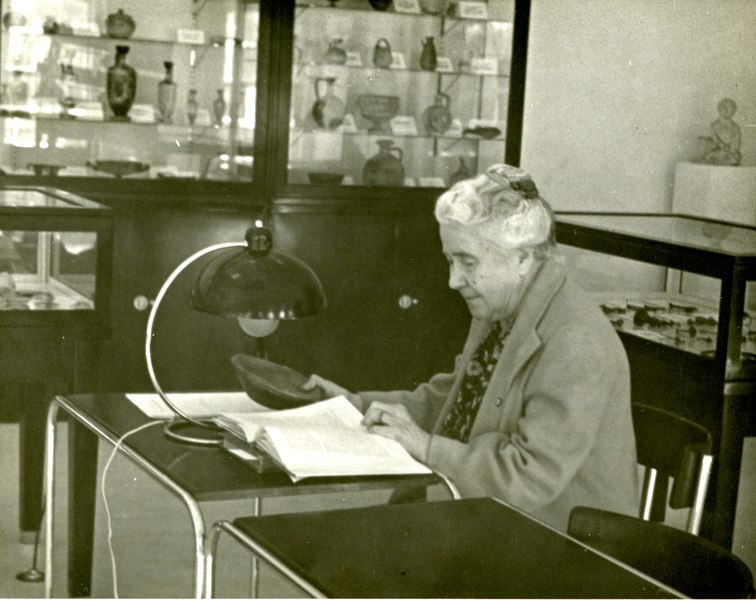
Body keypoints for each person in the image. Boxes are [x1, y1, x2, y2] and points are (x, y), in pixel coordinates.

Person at [303, 164, 639, 531]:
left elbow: (527, 477)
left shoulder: (577, 342)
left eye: (467, 262)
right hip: (496, 521)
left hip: (565, 551)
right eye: (450, 260)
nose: (453, 280)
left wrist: (426, 447)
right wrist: (355, 405)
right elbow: (457, 399)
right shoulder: (504, 302)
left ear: (522, 258)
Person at [702, 97, 741, 166]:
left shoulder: (735, 127)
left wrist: (731, 149)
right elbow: (714, 139)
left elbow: (736, 142)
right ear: (719, 109)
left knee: (734, 157)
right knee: (711, 154)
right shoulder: (714, 125)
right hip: (718, 149)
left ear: (733, 111)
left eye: (729, 108)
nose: (726, 110)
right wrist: (721, 145)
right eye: (723, 107)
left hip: (730, 152)